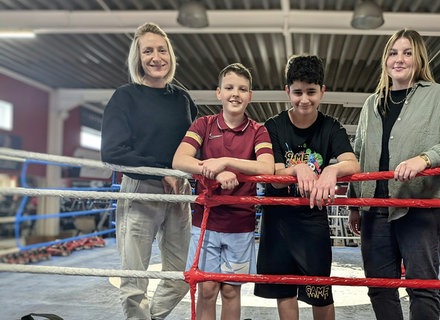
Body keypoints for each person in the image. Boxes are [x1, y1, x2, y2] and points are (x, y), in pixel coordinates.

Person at [347, 29, 440, 320]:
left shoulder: (438, 97)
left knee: (422, 288)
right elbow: (359, 154)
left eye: (407, 53)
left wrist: (426, 158)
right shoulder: (372, 104)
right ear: (385, 59)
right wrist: (354, 204)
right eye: (393, 53)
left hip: (419, 209)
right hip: (376, 210)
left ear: (418, 58)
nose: (399, 59)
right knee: (379, 287)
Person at [100, 22, 198, 320]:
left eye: (162, 50)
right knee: (134, 281)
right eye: (148, 51)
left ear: (170, 55)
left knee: (181, 276)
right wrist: (160, 172)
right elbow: (112, 152)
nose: (156, 57)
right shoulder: (125, 96)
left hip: (179, 193)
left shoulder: (181, 98)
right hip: (141, 190)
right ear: (138, 58)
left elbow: (196, 144)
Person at [254, 54, 360, 320]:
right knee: (285, 291)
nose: (304, 99)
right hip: (278, 219)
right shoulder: (274, 126)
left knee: (320, 291)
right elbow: (271, 169)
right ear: (287, 91)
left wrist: (332, 170)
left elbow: (353, 163)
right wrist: (298, 168)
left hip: (313, 219)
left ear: (322, 91)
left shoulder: (331, 126)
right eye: (298, 92)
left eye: (311, 92)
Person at [172, 63, 274, 320]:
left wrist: (228, 163)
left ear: (250, 95)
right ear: (218, 92)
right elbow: (180, 159)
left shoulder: (258, 130)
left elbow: (267, 167)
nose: (235, 94)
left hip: (240, 225)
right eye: (229, 88)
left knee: (231, 291)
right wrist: (216, 172)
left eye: (242, 89)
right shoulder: (203, 125)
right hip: (205, 223)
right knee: (207, 290)